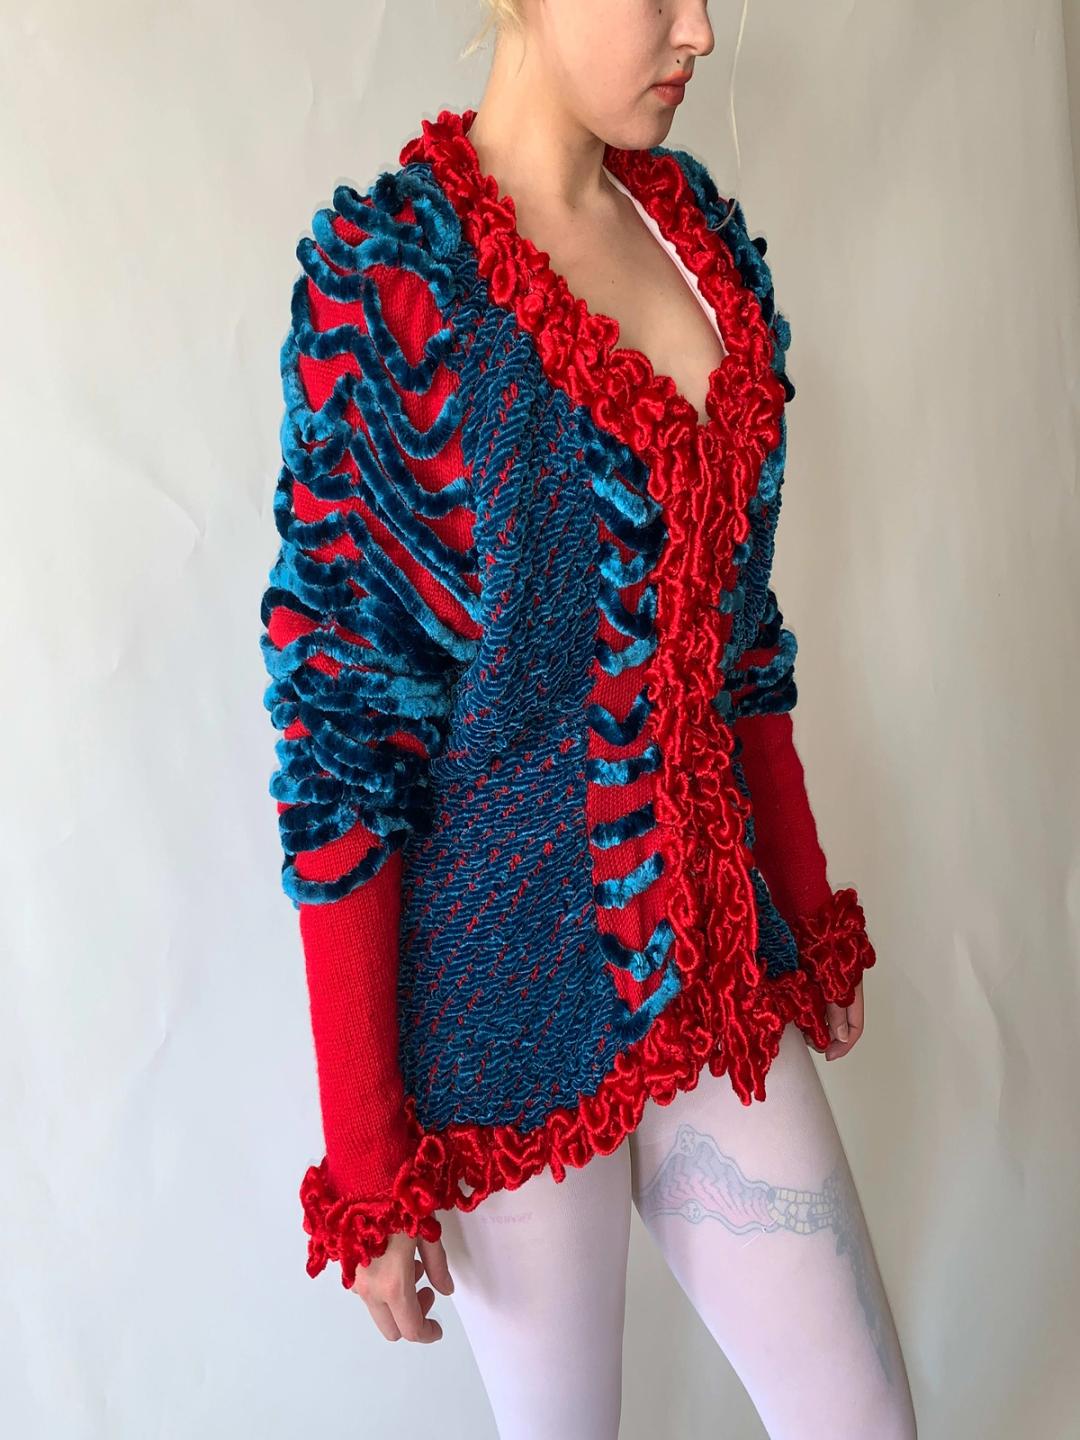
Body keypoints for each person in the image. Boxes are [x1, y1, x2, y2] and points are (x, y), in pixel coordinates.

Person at [259, 1, 917, 1435]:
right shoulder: (398, 289)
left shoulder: (704, 245)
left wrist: (804, 905)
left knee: (865, 1418)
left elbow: (740, 642)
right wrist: (368, 1156)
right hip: (497, 1024)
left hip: (712, 968)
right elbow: (340, 741)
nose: (700, 32)